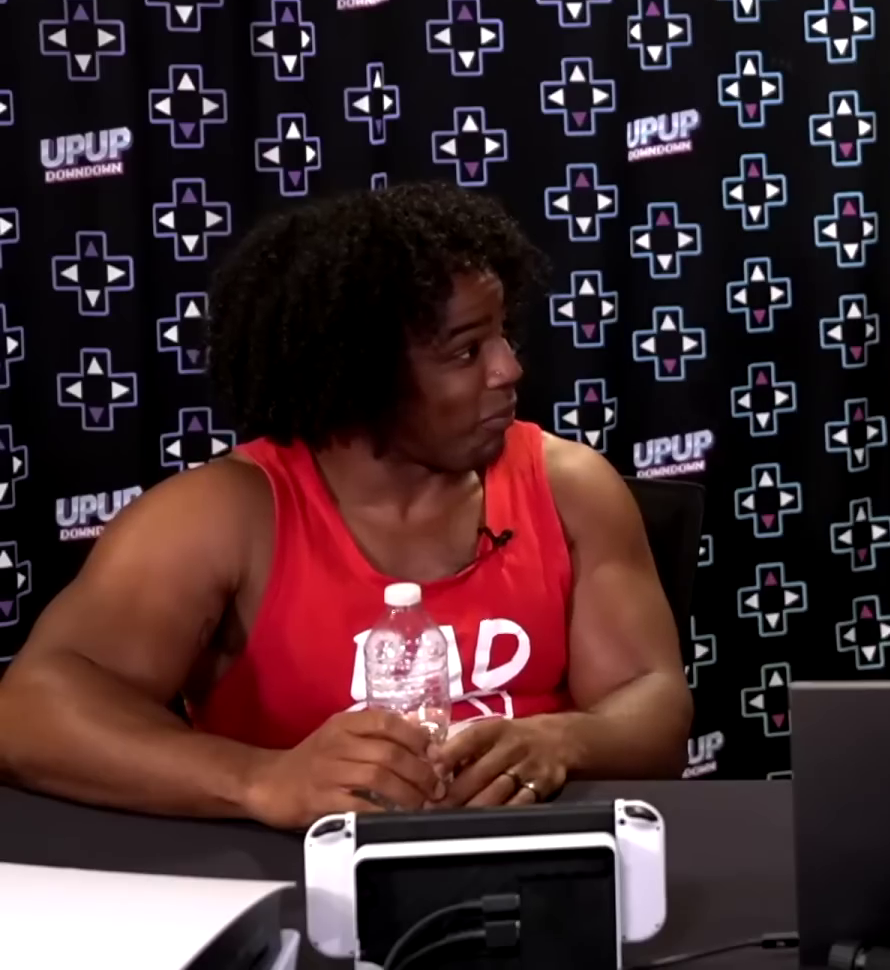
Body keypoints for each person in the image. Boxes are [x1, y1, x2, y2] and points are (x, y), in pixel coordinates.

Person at [0, 182, 693, 829]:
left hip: (540, 861)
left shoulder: (570, 486)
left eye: (502, 335)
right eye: (466, 352)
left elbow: (654, 701)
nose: (508, 367)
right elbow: (27, 713)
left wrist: (565, 740)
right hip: (304, 885)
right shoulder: (218, 519)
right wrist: (260, 779)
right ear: (362, 374)